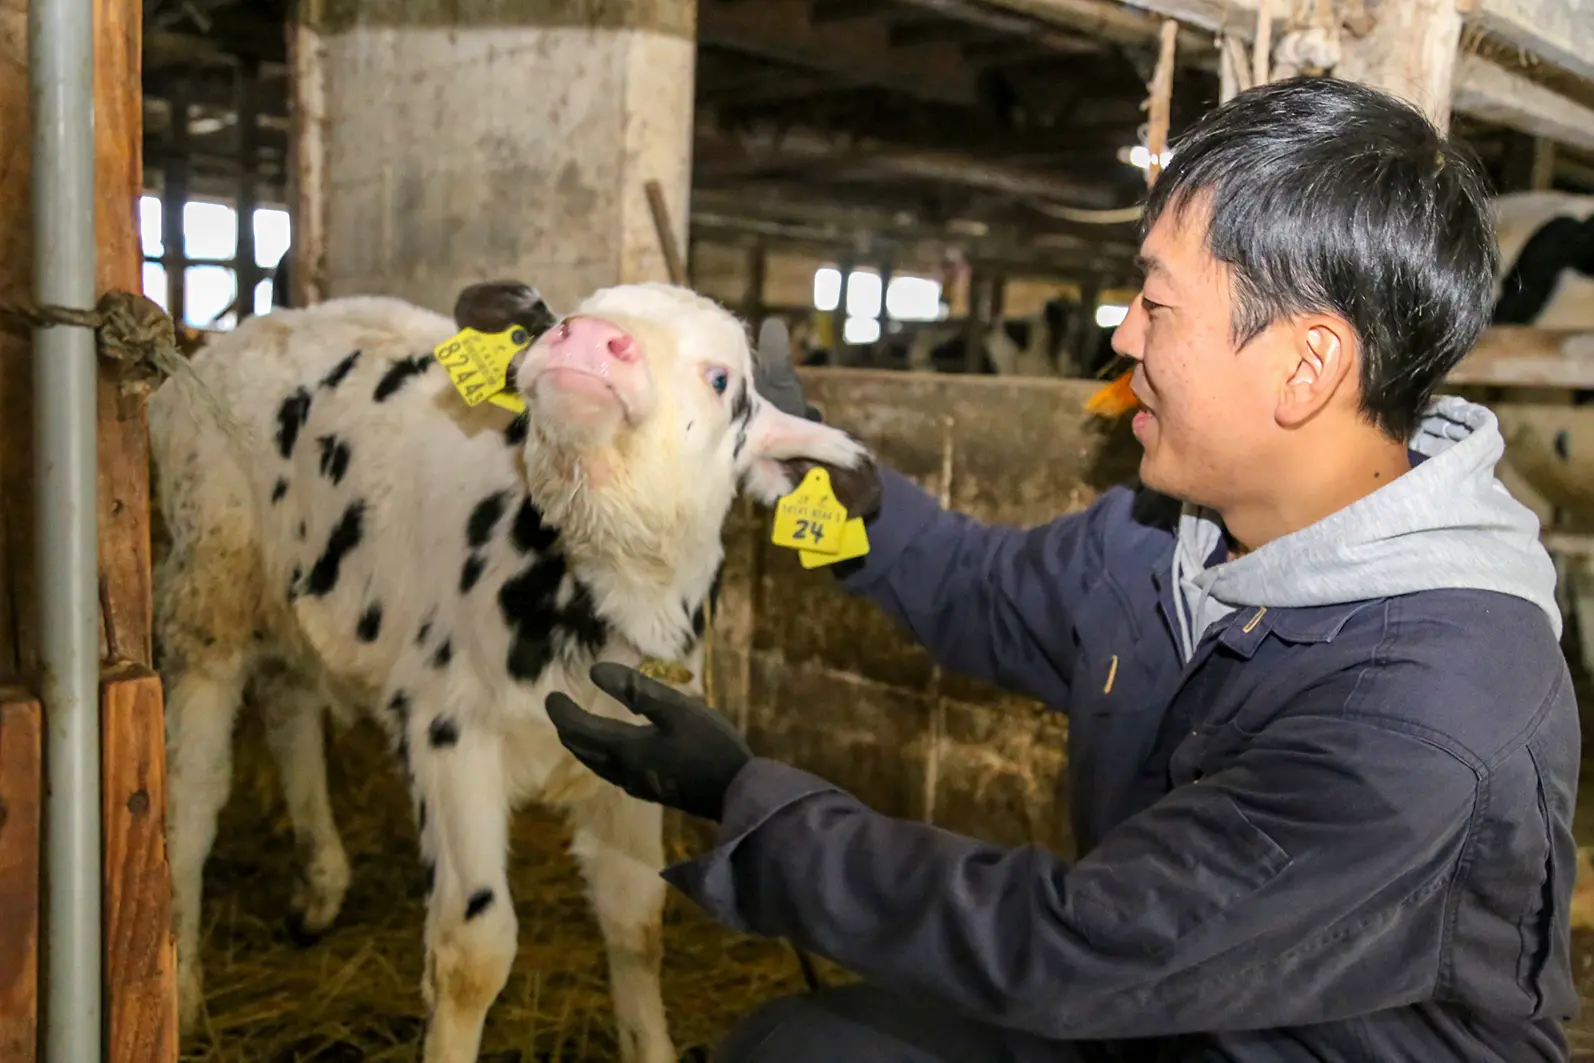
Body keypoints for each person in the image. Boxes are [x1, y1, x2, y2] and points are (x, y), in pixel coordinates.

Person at [544, 76, 1581, 1062]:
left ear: (1305, 366)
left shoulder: (1426, 708)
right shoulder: (1159, 536)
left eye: (1156, 302)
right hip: (1151, 1023)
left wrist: (748, 804)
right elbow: (975, 589)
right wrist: (832, 487)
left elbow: (1084, 944)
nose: (1121, 332)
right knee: (797, 1047)